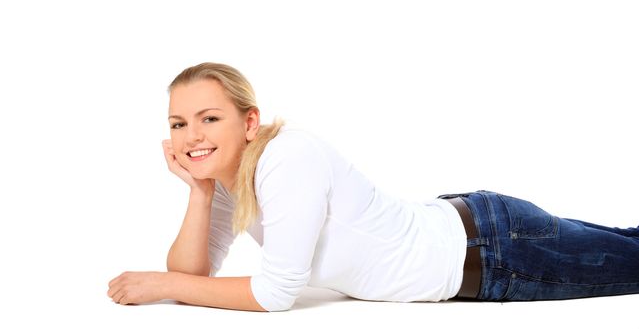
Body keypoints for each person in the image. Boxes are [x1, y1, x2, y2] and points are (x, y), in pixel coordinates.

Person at [107, 62, 639, 312]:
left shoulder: (287, 157)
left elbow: (274, 293)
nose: (192, 136)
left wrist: (161, 286)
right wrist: (199, 192)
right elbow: (191, 271)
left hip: (495, 250)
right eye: (179, 124)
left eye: (208, 119)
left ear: (249, 123)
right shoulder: (232, 181)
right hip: (479, 231)